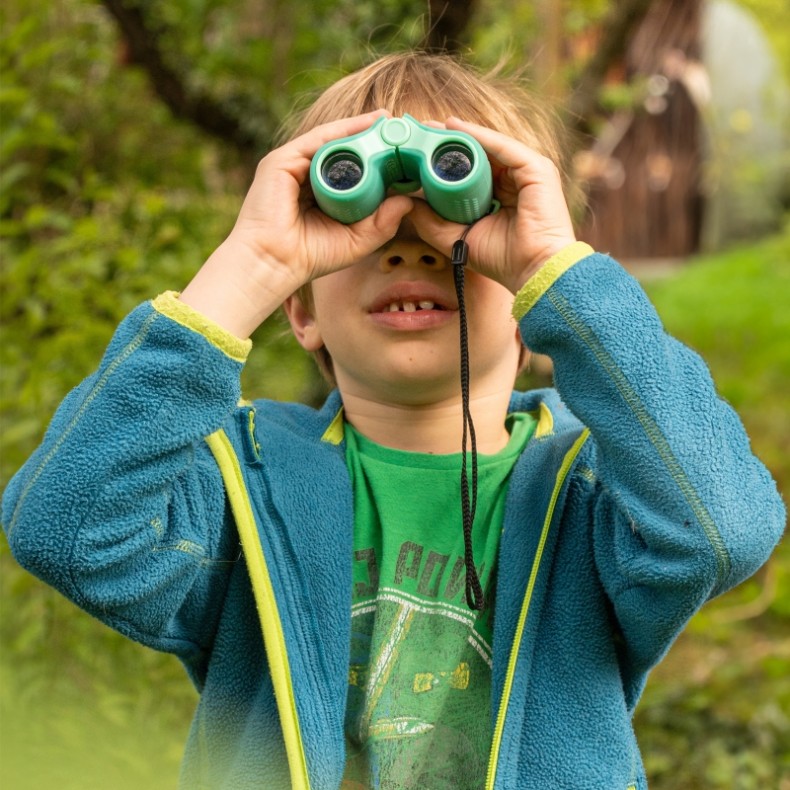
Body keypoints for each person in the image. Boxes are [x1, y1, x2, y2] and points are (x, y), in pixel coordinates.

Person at [2, 51, 784, 790]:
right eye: (367, 223)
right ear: (301, 310)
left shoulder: (594, 490)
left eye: (453, 219)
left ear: (530, 303)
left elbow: (723, 529)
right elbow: (68, 530)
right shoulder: (243, 483)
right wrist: (254, 265)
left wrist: (563, 276)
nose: (410, 249)